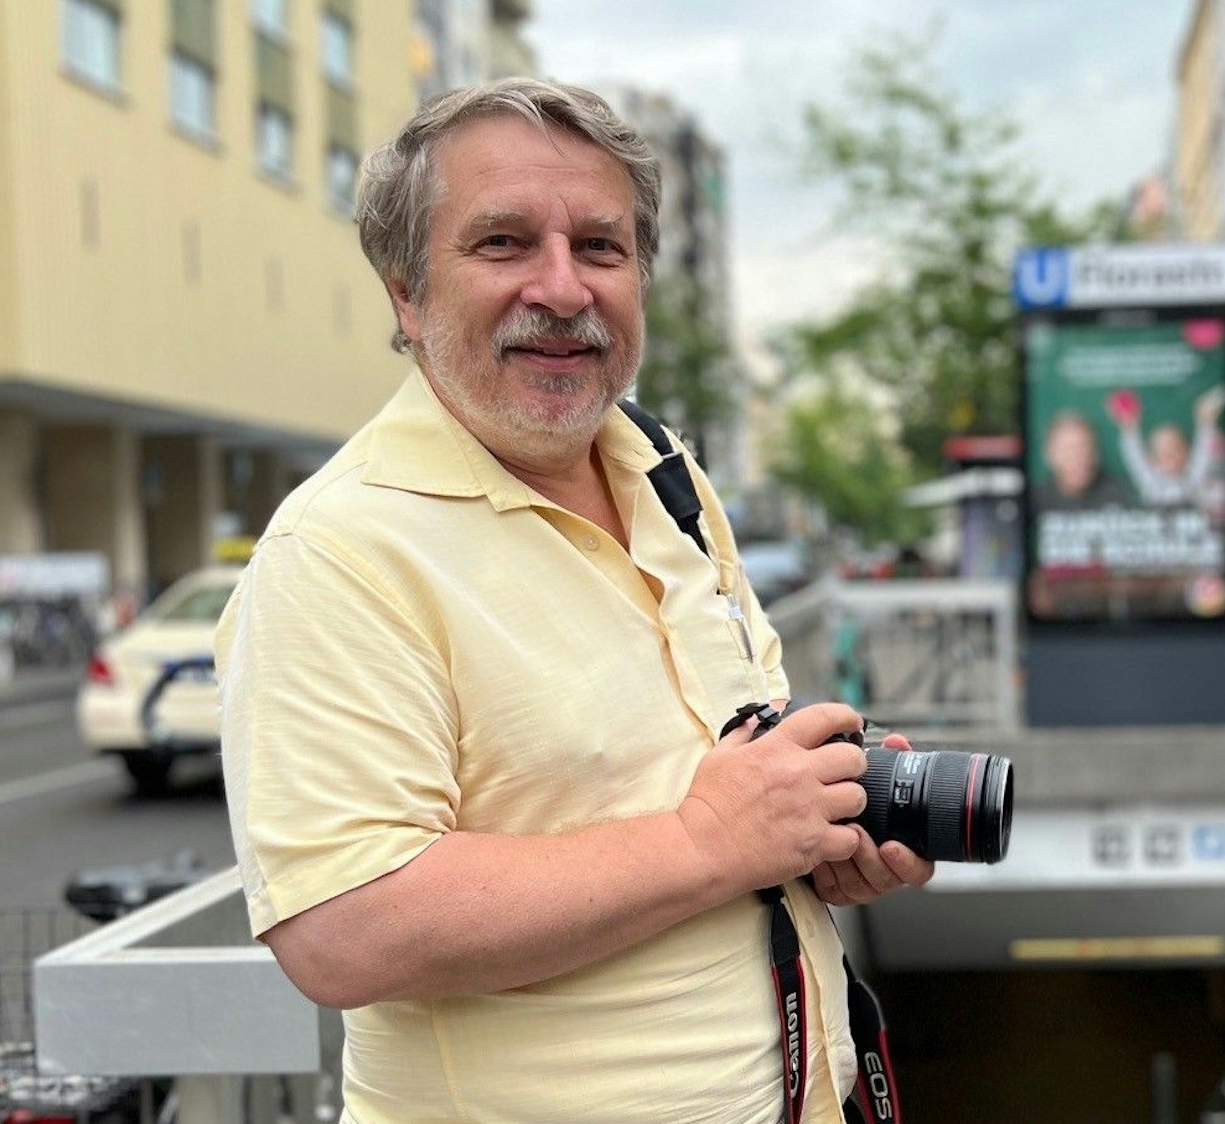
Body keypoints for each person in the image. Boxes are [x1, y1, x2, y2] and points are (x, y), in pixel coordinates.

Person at [214, 79, 933, 1123]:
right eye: (502, 243)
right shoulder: (338, 550)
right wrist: (707, 841)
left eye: (600, 247)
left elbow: (722, 776)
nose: (561, 288)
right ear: (406, 294)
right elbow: (342, 928)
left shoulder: (663, 470)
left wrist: (811, 833)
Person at [1106, 386, 1225, 509]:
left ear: (1187, 453)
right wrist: (1129, 427)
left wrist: (1206, 424)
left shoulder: (1193, 480)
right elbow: (1134, 455)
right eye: (1160, 452)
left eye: (1175, 448)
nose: (1168, 455)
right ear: (1151, 459)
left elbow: (1202, 458)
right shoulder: (1150, 483)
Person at [1034, 410, 1132, 510]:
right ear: (1050, 455)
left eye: (1084, 447)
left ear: (1095, 453)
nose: (1077, 457)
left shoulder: (1122, 496)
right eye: (1068, 449)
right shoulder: (1033, 503)